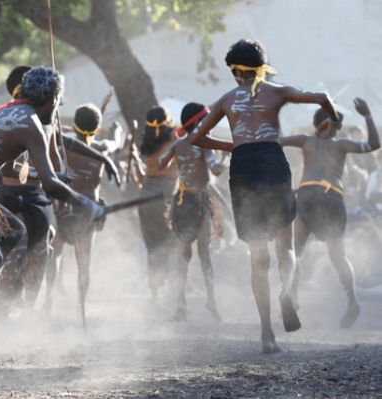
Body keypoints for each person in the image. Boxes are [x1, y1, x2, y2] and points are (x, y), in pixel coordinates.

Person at [188, 38, 341, 353]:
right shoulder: (277, 91)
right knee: (286, 248)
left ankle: (266, 334)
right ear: (261, 68)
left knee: (259, 257)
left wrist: (232, 146)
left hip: (244, 168)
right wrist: (330, 122)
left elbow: (196, 138)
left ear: (236, 71)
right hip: (273, 161)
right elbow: (322, 97)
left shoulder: (226, 100)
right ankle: (286, 289)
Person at [0, 66, 105, 333]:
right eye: (58, 102)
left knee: (14, 231)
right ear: (52, 99)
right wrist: (85, 203)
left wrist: (53, 174)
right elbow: (50, 186)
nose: (57, 108)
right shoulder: (31, 123)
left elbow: (11, 169)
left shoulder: (13, 112)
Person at [0, 66, 120, 313]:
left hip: (40, 198)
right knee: (18, 253)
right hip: (15, 196)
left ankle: (31, 309)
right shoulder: (13, 119)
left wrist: (101, 160)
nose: (56, 106)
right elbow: (9, 168)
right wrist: (48, 178)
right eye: (55, 101)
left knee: (43, 253)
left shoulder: (50, 124)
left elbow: (61, 145)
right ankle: (5, 307)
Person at [281, 98, 379, 329]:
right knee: (301, 252)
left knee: (306, 253)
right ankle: (292, 298)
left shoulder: (328, 143)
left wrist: (367, 116)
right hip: (319, 199)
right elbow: (277, 140)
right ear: (320, 126)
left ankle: (295, 296)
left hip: (317, 198)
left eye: (330, 125)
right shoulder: (317, 141)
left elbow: (374, 144)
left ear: (332, 127)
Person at [42, 103, 120, 315]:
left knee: (55, 253)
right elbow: (115, 143)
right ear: (97, 129)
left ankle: (48, 295)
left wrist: (69, 131)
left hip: (64, 208)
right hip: (89, 213)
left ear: (74, 126)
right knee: (84, 263)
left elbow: (59, 135)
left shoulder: (63, 146)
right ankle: (80, 307)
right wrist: (116, 133)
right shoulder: (102, 148)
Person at [158, 103, 228, 322]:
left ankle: (180, 303)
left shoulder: (178, 145)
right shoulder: (204, 144)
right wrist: (226, 157)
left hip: (181, 201)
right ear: (198, 123)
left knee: (184, 253)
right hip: (199, 201)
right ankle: (211, 301)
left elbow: (161, 164)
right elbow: (215, 168)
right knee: (204, 252)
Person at [137, 107, 180, 304]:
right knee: (173, 245)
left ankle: (155, 295)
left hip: (144, 196)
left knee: (153, 247)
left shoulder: (147, 140)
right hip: (166, 194)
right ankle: (175, 295)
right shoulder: (175, 137)